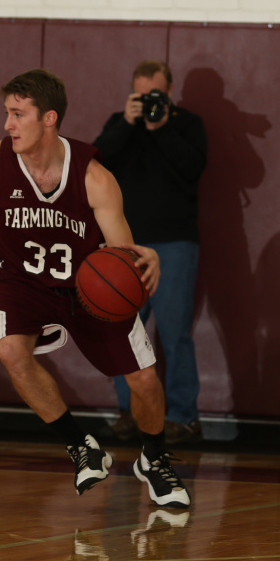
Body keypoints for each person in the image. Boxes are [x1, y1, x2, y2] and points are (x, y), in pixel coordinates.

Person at [0, 68, 190, 508]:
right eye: (7, 113)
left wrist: (142, 256)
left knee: (144, 380)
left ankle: (154, 458)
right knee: (9, 350)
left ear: (49, 118)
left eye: (18, 115)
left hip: (86, 287)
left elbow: (119, 250)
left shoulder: (94, 177)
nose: (8, 124)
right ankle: (80, 445)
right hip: (22, 280)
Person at [93, 60, 207, 445]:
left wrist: (161, 129)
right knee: (124, 332)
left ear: (170, 91)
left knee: (175, 334)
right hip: (126, 244)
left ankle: (182, 417)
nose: (148, 103)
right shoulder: (120, 123)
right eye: (141, 96)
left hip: (175, 242)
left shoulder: (188, 125)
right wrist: (128, 123)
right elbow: (96, 161)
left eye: (155, 95)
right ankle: (131, 412)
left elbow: (193, 167)